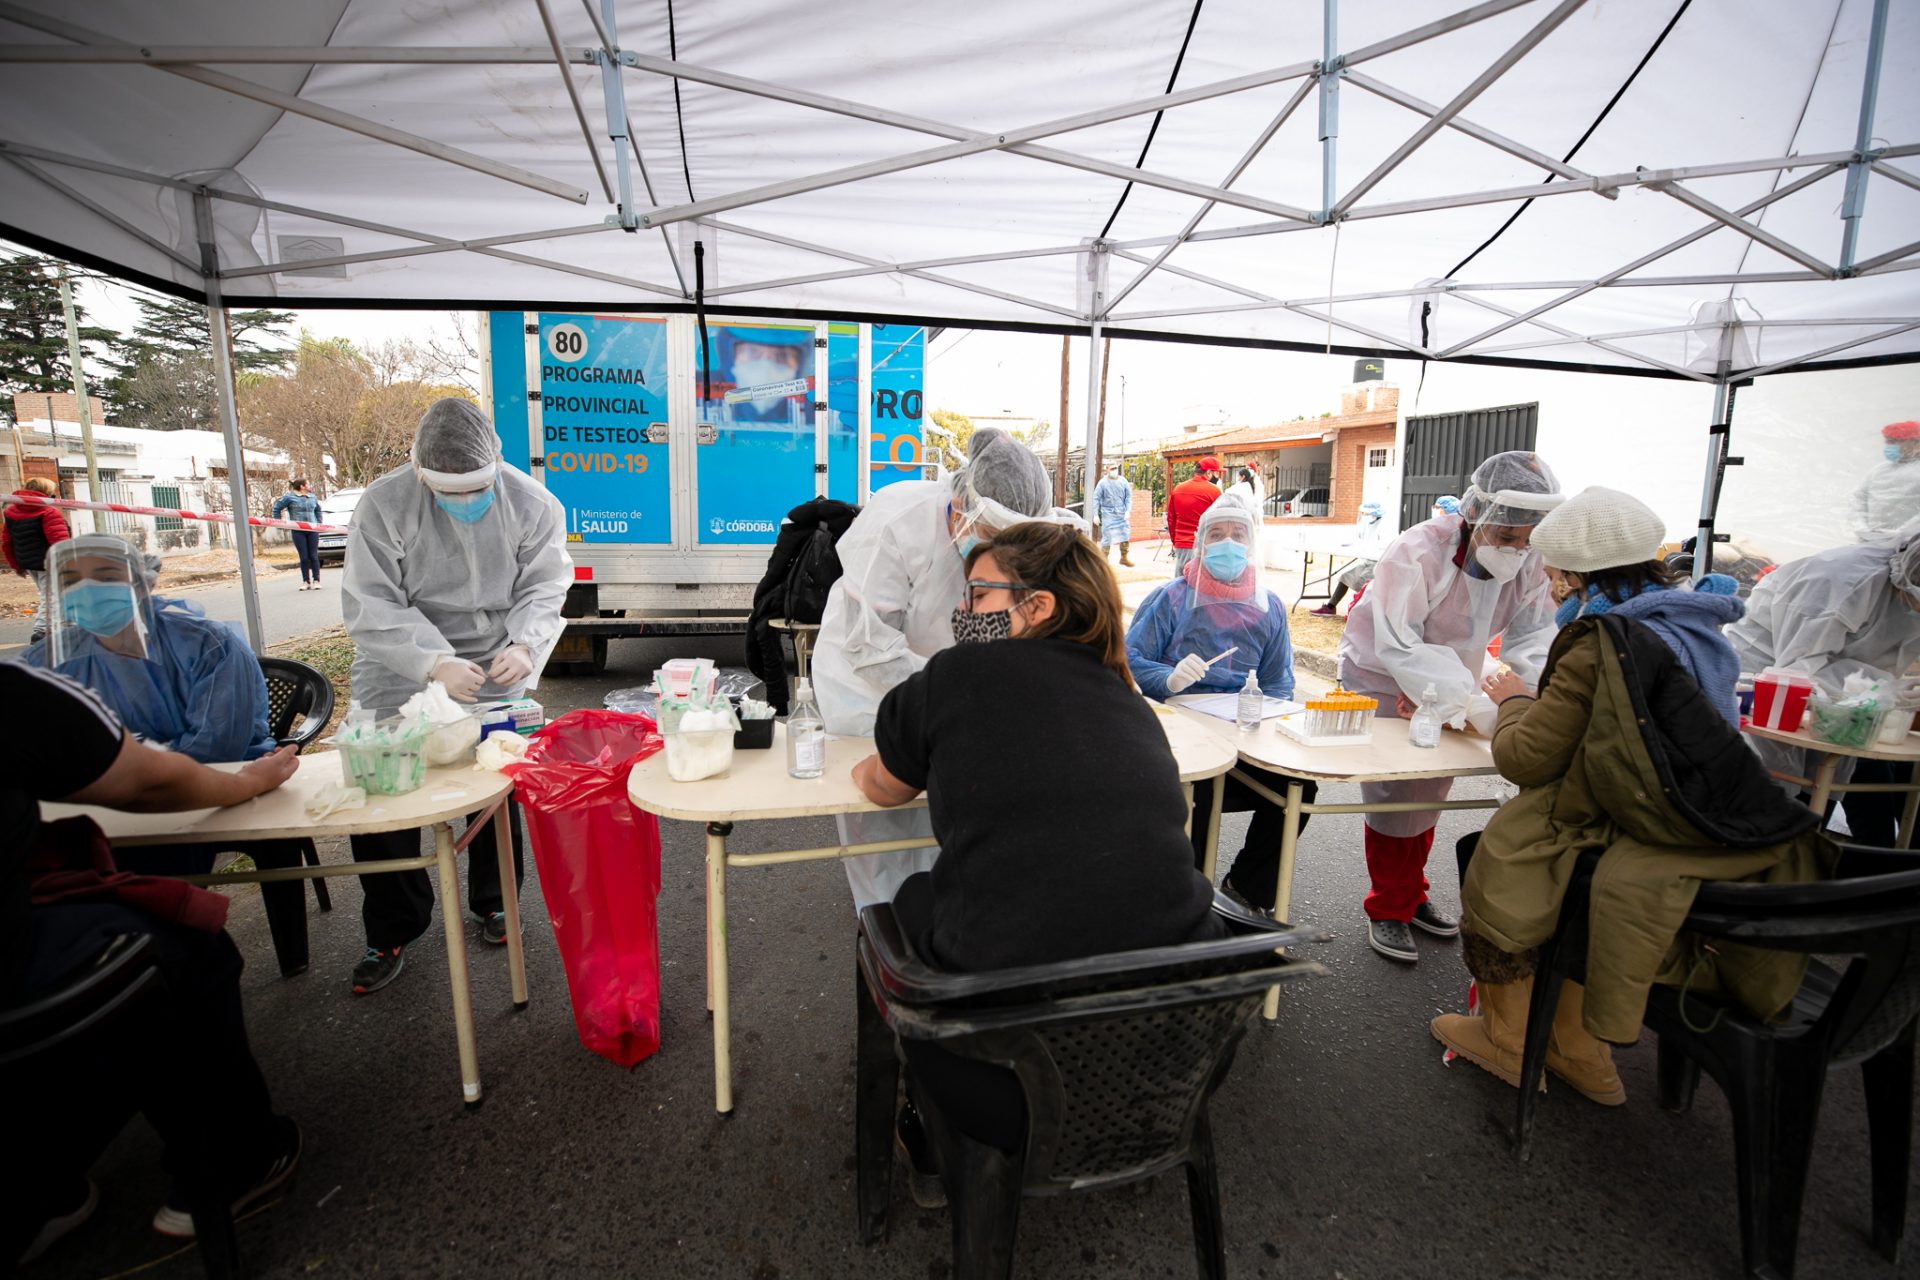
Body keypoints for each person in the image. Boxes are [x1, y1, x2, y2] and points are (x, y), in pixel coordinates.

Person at [850, 522, 1225, 1195]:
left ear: (1038, 606)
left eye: (979, 597)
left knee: (903, 907)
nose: (964, 616)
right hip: (1174, 1058)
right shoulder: (1129, 702)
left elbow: (884, 786)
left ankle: (918, 1122)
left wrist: (864, 767)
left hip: (1004, 1077)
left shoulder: (954, 675)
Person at [1432, 488, 1832, 1105]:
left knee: (1500, 851)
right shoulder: (1697, 623)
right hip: (1706, 823)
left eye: (1553, 571)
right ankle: (1580, 1050)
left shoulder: (1601, 639)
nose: (1551, 583)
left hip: (1635, 821)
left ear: (1569, 572)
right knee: (1562, 871)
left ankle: (1509, 1038)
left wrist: (1513, 700)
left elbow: (1527, 758)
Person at [2, 661, 302, 1264]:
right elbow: (144, 780)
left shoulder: (205, 645)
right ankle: (236, 1158)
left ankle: (35, 1189)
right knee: (189, 940)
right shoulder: (22, 686)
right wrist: (248, 782)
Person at [340, 398, 571, 994]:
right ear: (420, 473)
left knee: (493, 784)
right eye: (450, 490)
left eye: (477, 487)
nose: (466, 501)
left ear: (497, 464)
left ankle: (495, 903)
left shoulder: (533, 501)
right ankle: (391, 926)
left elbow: (547, 583)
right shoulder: (384, 505)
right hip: (402, 665)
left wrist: (525, 643)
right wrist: (432, 661)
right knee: (382, 794)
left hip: (497, 659)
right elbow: (371, 602)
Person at [23, 535, 316, 974]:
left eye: (105, 576)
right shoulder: (44, 663)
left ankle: (170, 959)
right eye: (69, 581)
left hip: (214, 792)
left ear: (143, 582)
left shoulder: (206, 645)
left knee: (157, 874)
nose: (85, 590)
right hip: (105, 805)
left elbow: (218, 748)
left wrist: (127, 775)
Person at [813, 426, 1056, 909]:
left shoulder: (992, 551)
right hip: (863, 688)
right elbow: (870, 645)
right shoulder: (900, 519)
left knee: (949, 806)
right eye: (990, 536)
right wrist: (953, 695)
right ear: (963, 504)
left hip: (945, 681)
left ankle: (943, 909)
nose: (996, 553)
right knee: (884, 815)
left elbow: (983, 622)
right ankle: (885, 926)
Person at [1337, 451, 1563, 963]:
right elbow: (1398, 641)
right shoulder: (1419, 550)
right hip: (1382, 670)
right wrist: (1444, 693)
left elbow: (1533, 640)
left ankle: (1410, 894)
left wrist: (1524, 698)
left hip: (1451, 673)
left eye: (1527, 540)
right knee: (1397, 786)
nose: (1517, 550)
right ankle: (1387, 906)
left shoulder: (1529, 564)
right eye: (1507, 538)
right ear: (1476, 514)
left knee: (1432, 787)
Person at [1128, 495, 1314, 914]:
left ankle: (1246, 890)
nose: (1228, 543)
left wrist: (1268, 718)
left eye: (1237, 534)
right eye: (1216, 534)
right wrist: (1167, 678)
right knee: (1201, 793)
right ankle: (1183, 901)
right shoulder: (1171, 598)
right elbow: (1126, 660)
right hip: (1182, 733)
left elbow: (1278, 682)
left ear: (1251, 544)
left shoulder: (1269, 607)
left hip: (1242, 733)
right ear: (1200, 543)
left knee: (1296, 789)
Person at [1725, 533, 1920, 841]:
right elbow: (1799, 668)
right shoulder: (1839, 581)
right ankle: (1788, 852)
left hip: (1838, 683)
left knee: (1834, 775)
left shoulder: (1903, 591)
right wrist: (1884, 692)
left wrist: (1886, 693)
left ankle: (1827, 853)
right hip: (1768, 671)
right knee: (1783, 777)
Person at [4, 476, 71, 637]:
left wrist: (16, 565)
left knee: (56, 594)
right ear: (46, 493)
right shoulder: (48, 512)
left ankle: (66, 627)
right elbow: (60, 542)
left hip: (28, 562)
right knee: (51, 596)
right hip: (50, 562)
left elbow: (7, 542)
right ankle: (41, 631)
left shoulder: (11, 512)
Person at [1309, 500, 1389, 616]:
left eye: (1366, 514)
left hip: (1376, 564)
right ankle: (1331, 607)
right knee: (1345, 577)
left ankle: (1361, 611)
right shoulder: (1367, 526)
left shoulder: (1383, 527)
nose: (1364, 516)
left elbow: (1383, 548)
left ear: (1374, 514)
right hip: (1365, 561)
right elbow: (1361, 541)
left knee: (1363, 581)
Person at [1848, 420, 1920, 542]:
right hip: (1872, 540)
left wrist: (1902, 533)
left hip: (1912, 545)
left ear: (1916, 443)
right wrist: (1861, 528)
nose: (1889, 446)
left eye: (1894, 442)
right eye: (1887, 441)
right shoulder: (1878, 470)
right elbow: (1858, 499)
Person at [1166, 455, 1223, 575]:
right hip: (1204, 546)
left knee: (1180, 584)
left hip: (1181, 544)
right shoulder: (1215, 492)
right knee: (1200, 587)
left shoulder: (1178, 489)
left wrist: (1176, 541)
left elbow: (1171, 519)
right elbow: (1220, 521)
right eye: (1217, 473)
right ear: (1209, 473)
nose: (1218, 477)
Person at [273, 477, 325, 590]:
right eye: (308, 484)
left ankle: (316, 580)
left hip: (312, 530)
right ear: (302, 486)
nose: (310, 486)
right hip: (298, 531)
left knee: (314, 556)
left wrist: (319, 522)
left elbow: (318, 510)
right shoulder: (290, 497)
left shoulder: (313, 497)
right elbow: (277, 508)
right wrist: (278, 522)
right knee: (304, 557)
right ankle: (306, 581)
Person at [1090, 462, 1134, 566]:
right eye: (1112, 468)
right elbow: (1096, 498)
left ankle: (1124, 557)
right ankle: (1103, 560)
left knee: (1125, 534)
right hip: (1108, 513)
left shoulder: (1123, 481)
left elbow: (1128, 497)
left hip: (1121, 513)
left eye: (1116, 468)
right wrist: (1095, 514)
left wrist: (1128, 510)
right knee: (1107, 536)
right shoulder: (1102, 483)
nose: (1114, 470)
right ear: (1107, 470)